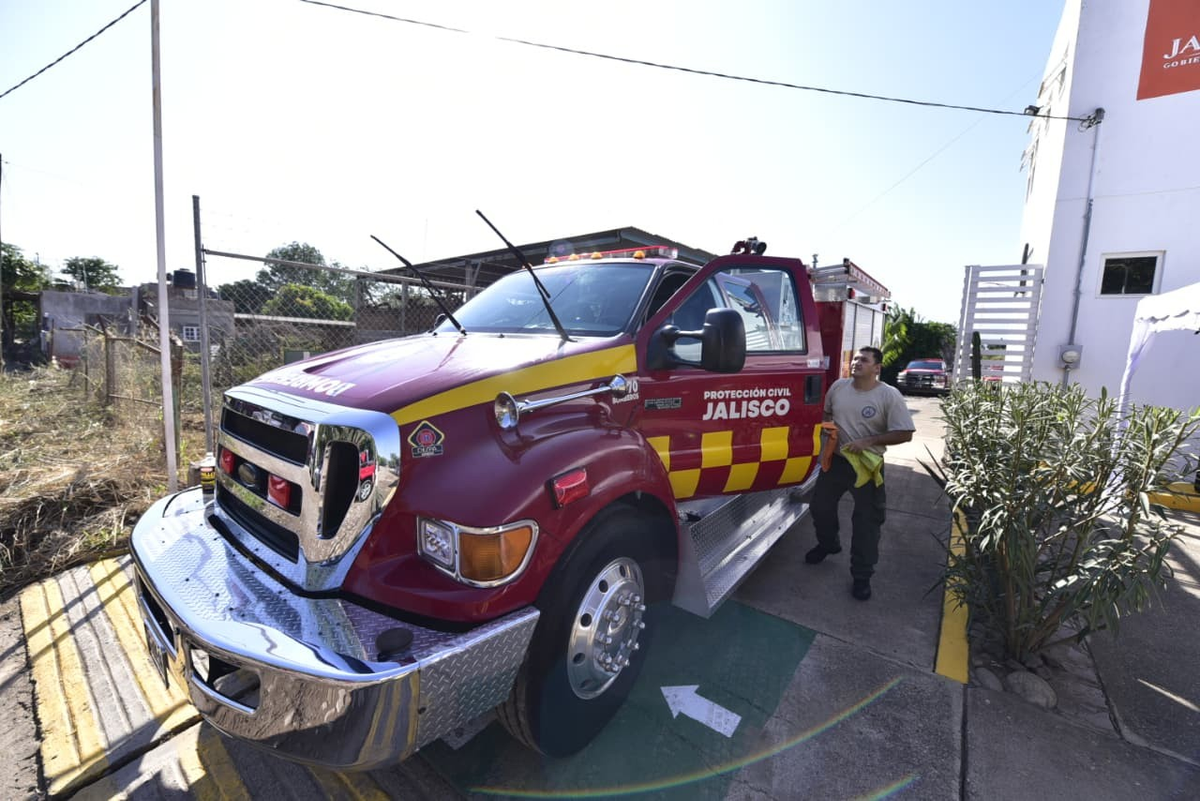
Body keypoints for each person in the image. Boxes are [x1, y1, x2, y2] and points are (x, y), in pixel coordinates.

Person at [806, 346, 915, 600]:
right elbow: (827, 413)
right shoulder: (838, 387)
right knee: (819, 508)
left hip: (868, 464)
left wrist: (868, 441)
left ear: (877, 368)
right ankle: (829, 544)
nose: (856, 363)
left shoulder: (889, 396)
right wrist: (825, 428)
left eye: (863, 360)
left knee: (867, 522)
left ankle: (861, 576)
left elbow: (905, 433)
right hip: (837, 461)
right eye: (855, 359)